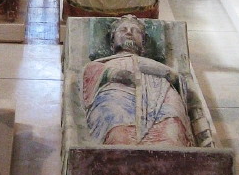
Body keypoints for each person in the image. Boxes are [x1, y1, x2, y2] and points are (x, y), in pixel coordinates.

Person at [82, 15, 193, 146]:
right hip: (117, 94)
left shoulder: (156, 65)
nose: (129, 32)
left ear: (143, 44)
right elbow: (89, 73)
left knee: (172, 124)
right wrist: (114, 73)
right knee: (116, 124)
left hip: (160, 94)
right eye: (123, 30)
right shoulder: (105, 63)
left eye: (135, 31)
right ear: (112, 42)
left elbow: (181, 83)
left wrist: (169, 75)